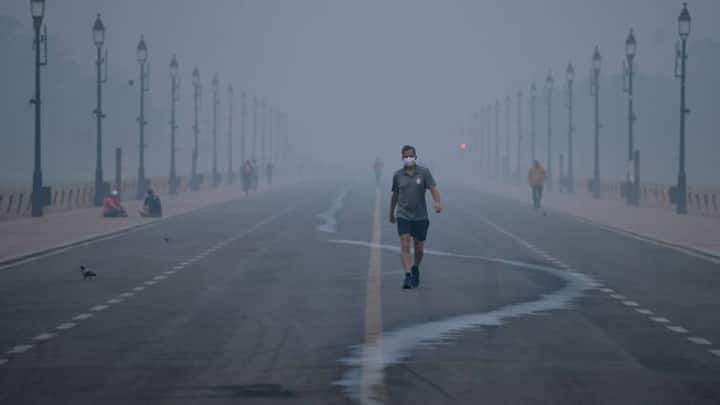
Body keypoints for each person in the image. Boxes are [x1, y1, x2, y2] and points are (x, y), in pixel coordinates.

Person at [390, 145, 442, 289]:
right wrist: (391, 213)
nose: (408, 158)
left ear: (416, 156)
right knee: (405, 244)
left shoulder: (424, 173)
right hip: (403, 215)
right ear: (402, 158)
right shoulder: (398, 175)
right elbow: (395, 195)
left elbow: (433, 189)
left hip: (420, 216)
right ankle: (407, 275)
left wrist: (437, 203)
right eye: (406, 156)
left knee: (419, 250)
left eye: (411, 155)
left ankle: (415, 268)